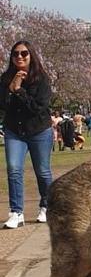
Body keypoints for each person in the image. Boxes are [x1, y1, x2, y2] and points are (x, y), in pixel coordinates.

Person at [0, 40, 54, 228]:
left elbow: (38, 108)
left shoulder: (42, 79)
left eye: (24, 53)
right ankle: (16, 212)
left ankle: (46, 206)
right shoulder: (6, 78)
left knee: (43, 171)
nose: (20, 57)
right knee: (14, 169)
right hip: (15, 131)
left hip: (39, 130)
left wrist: (19, 90)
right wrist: (11, 88)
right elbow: (3, 106)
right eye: (15, 54)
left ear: (31, 55)